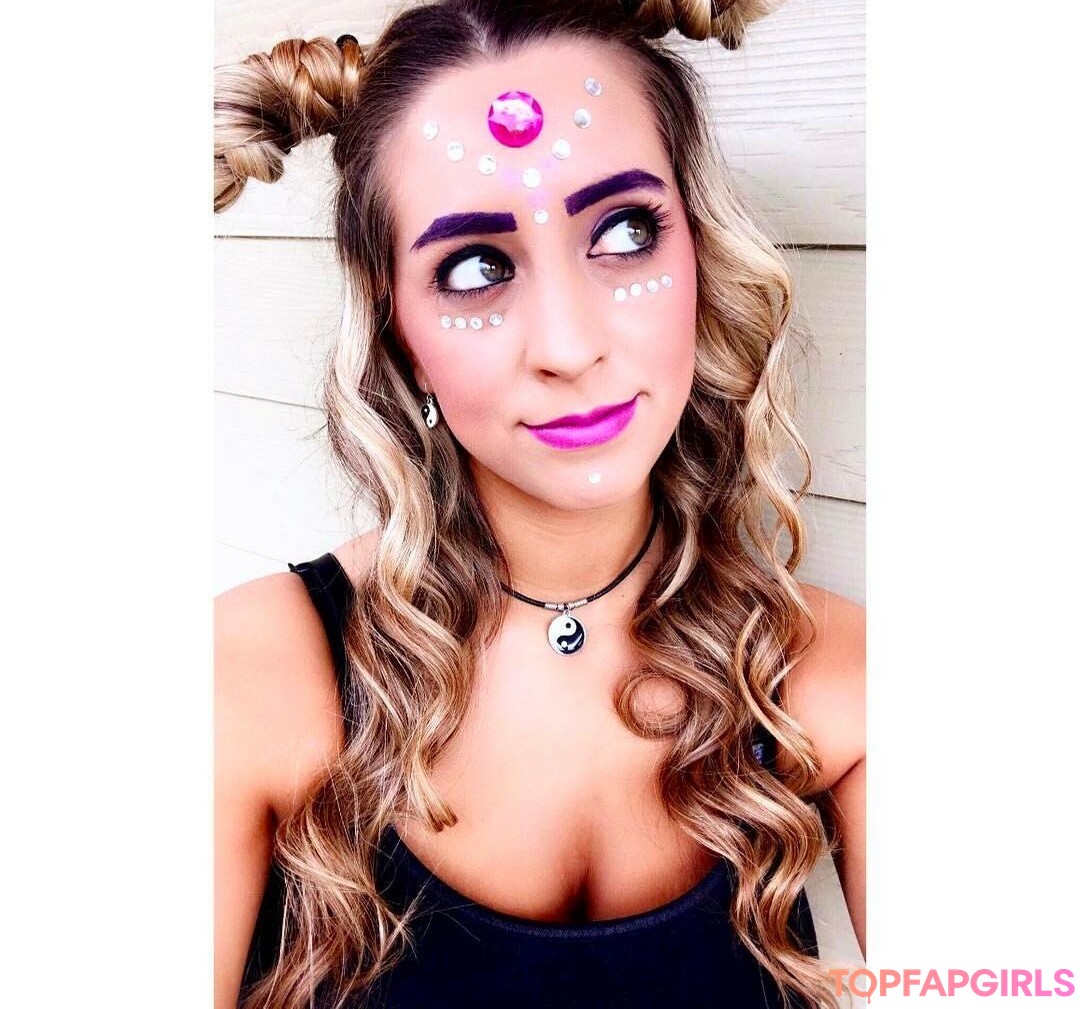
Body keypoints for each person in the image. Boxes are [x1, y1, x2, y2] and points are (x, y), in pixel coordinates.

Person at [213, 1, 866, 1007]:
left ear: (701, 250)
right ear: (397, 337)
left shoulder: (834, 675)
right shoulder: (242, 680)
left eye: (625, 231)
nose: (568, 344)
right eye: (475, 267)